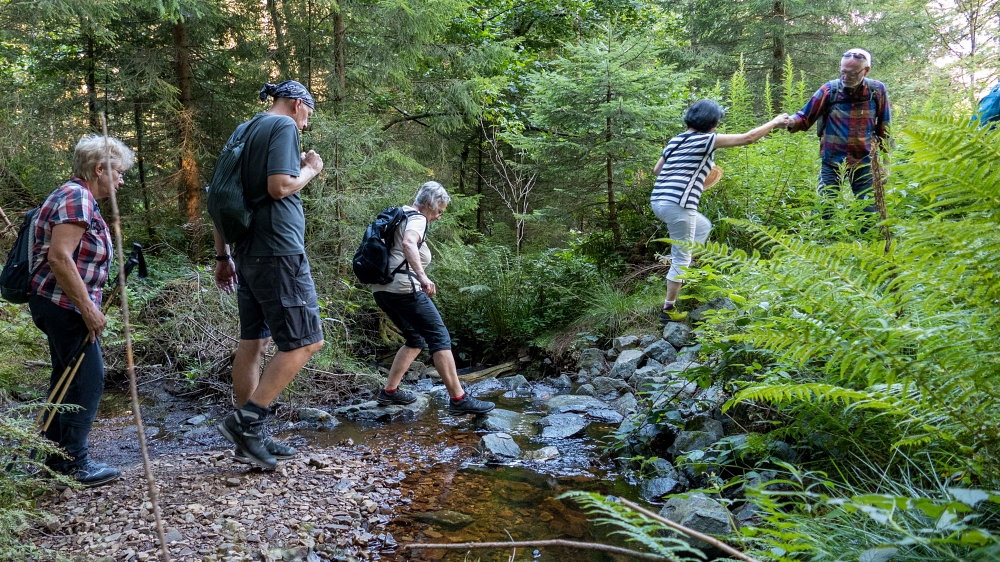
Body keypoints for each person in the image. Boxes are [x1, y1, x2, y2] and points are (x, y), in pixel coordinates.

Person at [212, 80, 325, 471]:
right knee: (305, 343)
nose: (308, 123)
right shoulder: (283, 128)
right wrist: (309, 169)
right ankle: (245, 424)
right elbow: (279, 188)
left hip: (246, 252)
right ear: (297, 104)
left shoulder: (244, 130)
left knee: (254, 342)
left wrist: (223, 254)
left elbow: (221, 196)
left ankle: (252, 442)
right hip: (278, 251)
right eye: (309, 112)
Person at [28, 134, 134, 487]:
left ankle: (53, 456)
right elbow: (59, 257)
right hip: (63, 305)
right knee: (87, 381)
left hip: (57, 303)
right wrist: (88, 309)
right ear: (99, 169)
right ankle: (74, 464)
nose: (121, 180)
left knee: (67, 378)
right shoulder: (76, 198)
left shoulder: (75, 196)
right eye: (118, 172)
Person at [652, 100, 788, 323]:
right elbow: (748, 138)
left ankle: (682, 265)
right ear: (711, 122)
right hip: (678, 204)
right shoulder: (706, 139)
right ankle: (668, 309)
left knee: (703, 226)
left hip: (659, 200)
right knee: (682, 255)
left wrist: (691, 175)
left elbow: (658, 170)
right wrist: (774, 122)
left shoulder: (675, 140)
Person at [370, 181, 494, 415]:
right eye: (438, 211)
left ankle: (389, 392)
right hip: (405, 289)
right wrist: (423, 277)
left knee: (416, 338)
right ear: (427, 204)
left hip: (382, 291)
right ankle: (458, 398)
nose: (438, 217)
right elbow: (408, 243)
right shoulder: (417, 218)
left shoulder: (401, 214)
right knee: (440, 337)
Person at [787, 48, 891, 215]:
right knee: (824, 211)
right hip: (832, 160)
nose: (846, 77)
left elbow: (885, 130)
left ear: (866, 70)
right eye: (843, 71)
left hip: (864, 161)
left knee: (870, 213)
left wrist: (886, 165)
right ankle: (822, 240)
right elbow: (804, 117)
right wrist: (789, 121)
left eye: (852, 73)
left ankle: (867, 241)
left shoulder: (877, 91)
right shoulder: (830, 89)